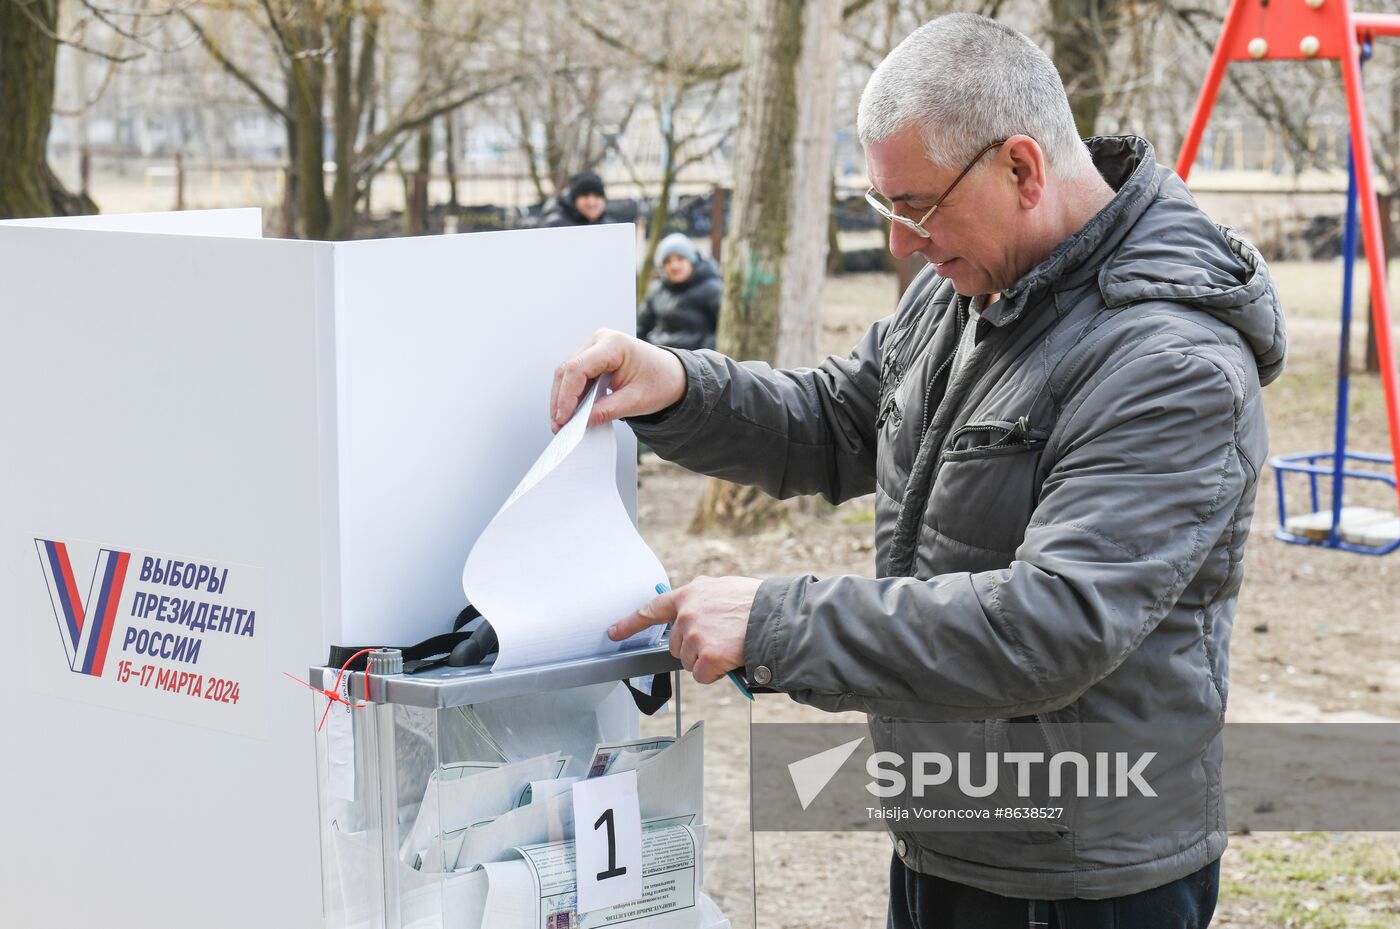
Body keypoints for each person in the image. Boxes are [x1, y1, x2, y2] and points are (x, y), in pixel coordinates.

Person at [550, 13, 1285, 928]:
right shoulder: (962, 291)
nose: (900, 241)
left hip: (1081, 874)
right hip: (953, 833)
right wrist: (674, 389)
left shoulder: (1169, 361)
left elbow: (1051, 624)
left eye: (918, 206)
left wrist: (774, 618)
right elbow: (833, 419)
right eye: (883, 206)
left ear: (1021, 168)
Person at [638, 233, 722, 350]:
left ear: (691, 261)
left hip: (699, 361)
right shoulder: (657, 291)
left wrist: (703, 351)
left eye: (680, 259)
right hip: (660, 358)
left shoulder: (712, 289)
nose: (674, 266)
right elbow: (640, 327)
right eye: (668, 261)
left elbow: (723, 331)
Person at [538, 170, 608, 228]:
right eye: (585, 196)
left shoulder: (610, 226)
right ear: (574, 200)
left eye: (597, 196)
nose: (591, 202)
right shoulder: (555, 227)